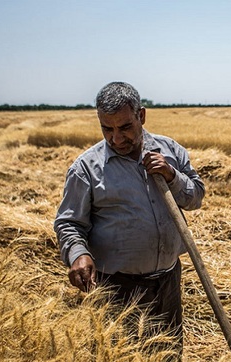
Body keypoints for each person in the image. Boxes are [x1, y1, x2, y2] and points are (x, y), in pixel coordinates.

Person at [54, 81, 205, 348]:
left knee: (168, 359)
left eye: (125, 127)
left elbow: (195, 198)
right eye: (106, 129)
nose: (116, 138)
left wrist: (172, 176)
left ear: (141, 115)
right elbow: (69, 223)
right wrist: (78, 253)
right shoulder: (86, 168)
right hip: (118, 288)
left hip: (168, 280)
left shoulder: (170, 151)